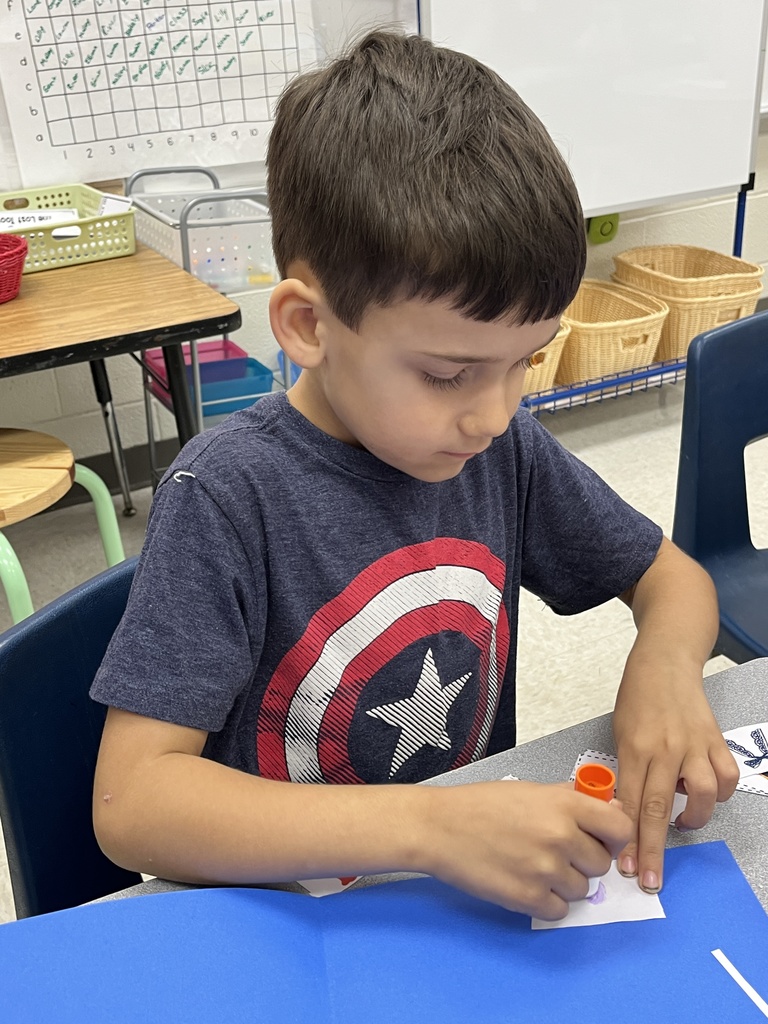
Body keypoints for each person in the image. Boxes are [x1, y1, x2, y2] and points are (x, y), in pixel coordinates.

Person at [91, 30, 737, 920]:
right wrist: (431, 829)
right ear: (309, 327)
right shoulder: (227, 498)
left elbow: (671, 578)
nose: (493, 410)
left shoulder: (499, 448)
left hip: (465, 901)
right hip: (298, 915)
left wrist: (664, 670)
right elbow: (134, 806)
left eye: (526, 361)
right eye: (447, 374)